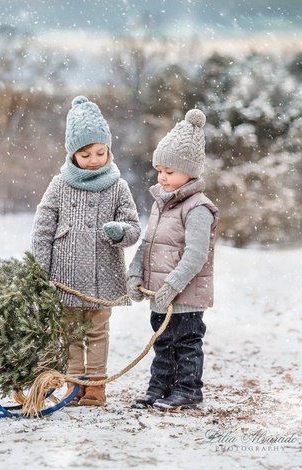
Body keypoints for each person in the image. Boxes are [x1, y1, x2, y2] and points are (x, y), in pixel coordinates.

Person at [31, 95, 141, 407]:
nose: (93, 159)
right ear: (72, 154)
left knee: (97, 331)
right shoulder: (59, 185)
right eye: (84, 154)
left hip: (101, 277)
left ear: (108, 150)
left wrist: (121, 232)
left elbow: (133, 226)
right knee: (69, 333)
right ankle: (74, 384)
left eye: (99, 152)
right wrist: (41, 269)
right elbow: (42, 229)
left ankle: (96, 386)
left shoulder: (117, 186)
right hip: (65, 277)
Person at [127, 108, 219, 411]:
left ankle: (187, 391)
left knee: (186, 345)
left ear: (190, 172)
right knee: (163, 343)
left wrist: (172, 285)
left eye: (170, 172)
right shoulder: (161, 204)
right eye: (160, 171)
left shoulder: (198, 208)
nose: (163, 177)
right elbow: (149, 244)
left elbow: (196, 254)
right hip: (160, 296)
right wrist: (135, 273)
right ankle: (159, 388)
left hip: (185, 296)